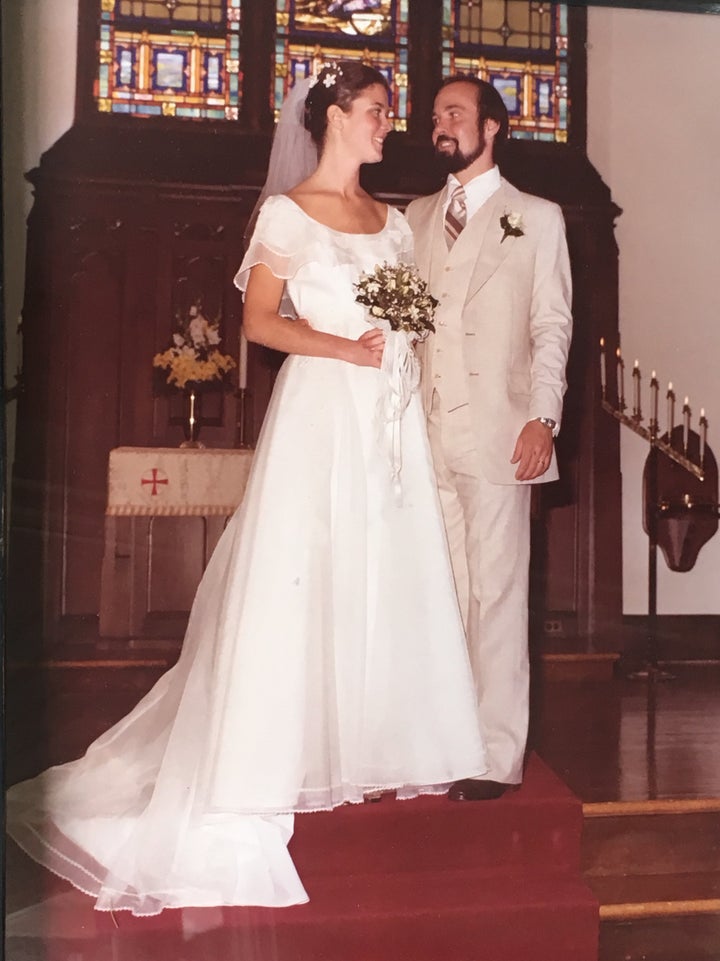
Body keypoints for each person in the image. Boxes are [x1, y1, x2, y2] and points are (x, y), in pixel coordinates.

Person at [6, 63, 487, 915]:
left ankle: (376, 746)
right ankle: (277, 755)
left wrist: (399, 355)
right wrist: (345, 349)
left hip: (389, 418)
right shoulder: (286, 214)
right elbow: (260, 322)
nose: (387, 127)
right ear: (336, 116)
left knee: (384, 574)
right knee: (301, 581)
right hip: (323, 410)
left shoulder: (392, 222)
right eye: (376, 113)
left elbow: (411, 318)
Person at [405, 76, 573, 802]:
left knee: (498, 593)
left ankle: (495, 753)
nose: (441, 124)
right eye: (436, 114)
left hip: (504, 431)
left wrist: (544, 415)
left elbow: (551, 324)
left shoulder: (536, 217)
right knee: (441, 593)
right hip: (425, 432)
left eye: (455, 113)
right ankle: (442, 738)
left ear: (492, 127)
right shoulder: (412, 217)